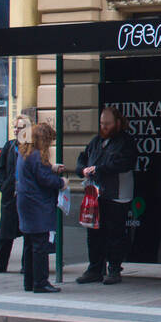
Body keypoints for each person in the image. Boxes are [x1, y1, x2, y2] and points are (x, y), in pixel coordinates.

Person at [75, 107, 137, 285]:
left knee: (115, 233)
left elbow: (124, 163)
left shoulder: (126, 141)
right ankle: (95, 268)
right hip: (96, 194)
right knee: (94, 233)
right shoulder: (96, 141)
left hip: (116, 194)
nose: (104, 127)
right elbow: (83, 157)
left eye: (108, 124)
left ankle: (114, 269)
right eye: (102, 124)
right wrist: (82, 170)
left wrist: (99, 168)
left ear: (117, 123)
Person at [15, 120, 65, 293]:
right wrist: (61, 182)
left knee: (29, 244)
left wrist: (51, 168)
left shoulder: (25, 153)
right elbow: (44, 179)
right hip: (37, 205)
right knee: (40, 245)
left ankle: (29, 281)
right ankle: (41, 282)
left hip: (25, 202)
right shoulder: (37, 154)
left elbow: (36, 172)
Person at [0, 113, 30, 274]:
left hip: (26, 195)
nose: (17, 130)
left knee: (28, 232)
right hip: (9, 194)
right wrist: (4, 185)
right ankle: (0, 264)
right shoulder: (10, 146)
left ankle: (27, 265)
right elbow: (0, 167)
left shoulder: (32, 147)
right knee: (5, 231)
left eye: (20, 127)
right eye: (15, 127)